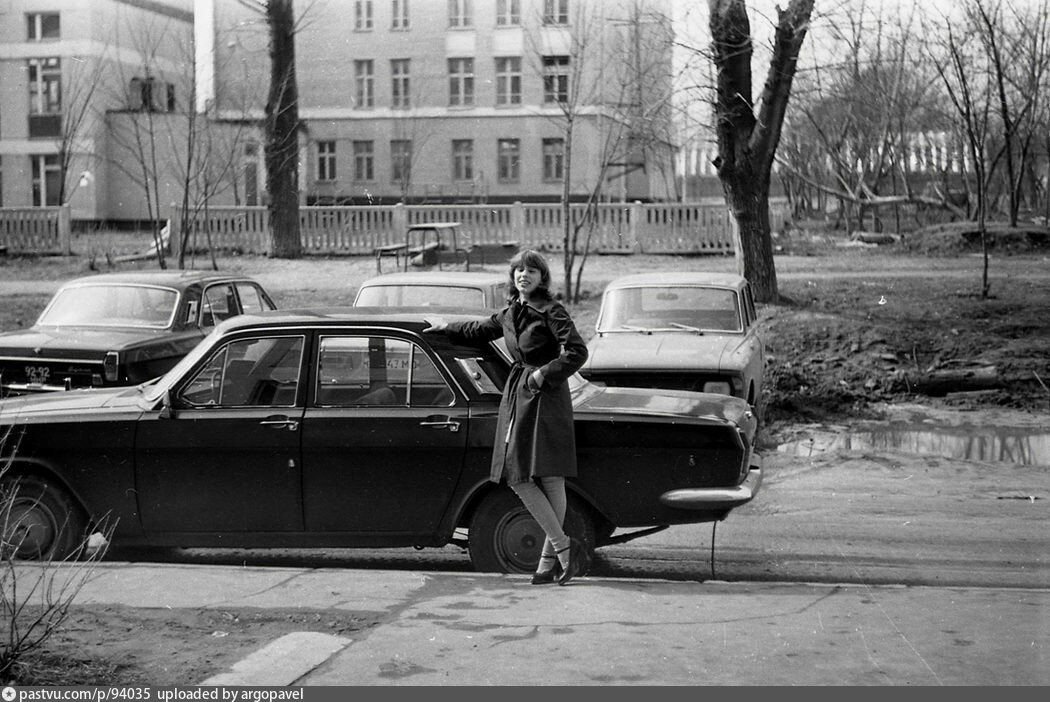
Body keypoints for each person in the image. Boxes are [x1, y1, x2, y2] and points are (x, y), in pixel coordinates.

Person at [423, 249, 588, 585]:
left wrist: (544, 374)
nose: (523, 275)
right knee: (523, 476)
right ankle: (557, 554)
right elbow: (479, 329)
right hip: (521, 396)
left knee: (540, 476)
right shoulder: (511, 312)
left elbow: (577, 351)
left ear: (542, 278)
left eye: (531, 271)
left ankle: (557, 552)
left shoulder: (551, 310)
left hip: (545, 397)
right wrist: (445, 326)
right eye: (518, 271)